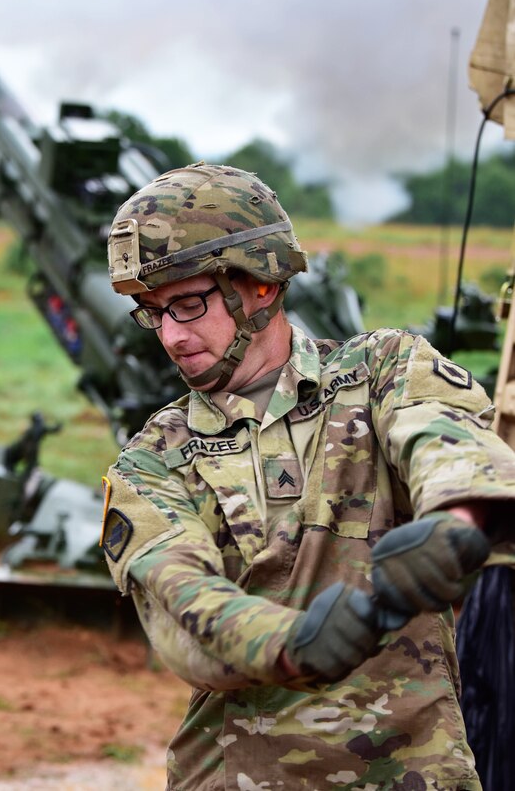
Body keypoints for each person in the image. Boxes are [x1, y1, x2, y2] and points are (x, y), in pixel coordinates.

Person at [100, 162, 515, 791]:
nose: (173, 336)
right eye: (152, 313)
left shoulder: (382, 371)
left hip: (417, 773)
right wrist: (291, 642)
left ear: (261, 282)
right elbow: (183, 611)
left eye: (187, 302)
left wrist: (457, 525)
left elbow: (446, 440)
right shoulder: (152, 460)